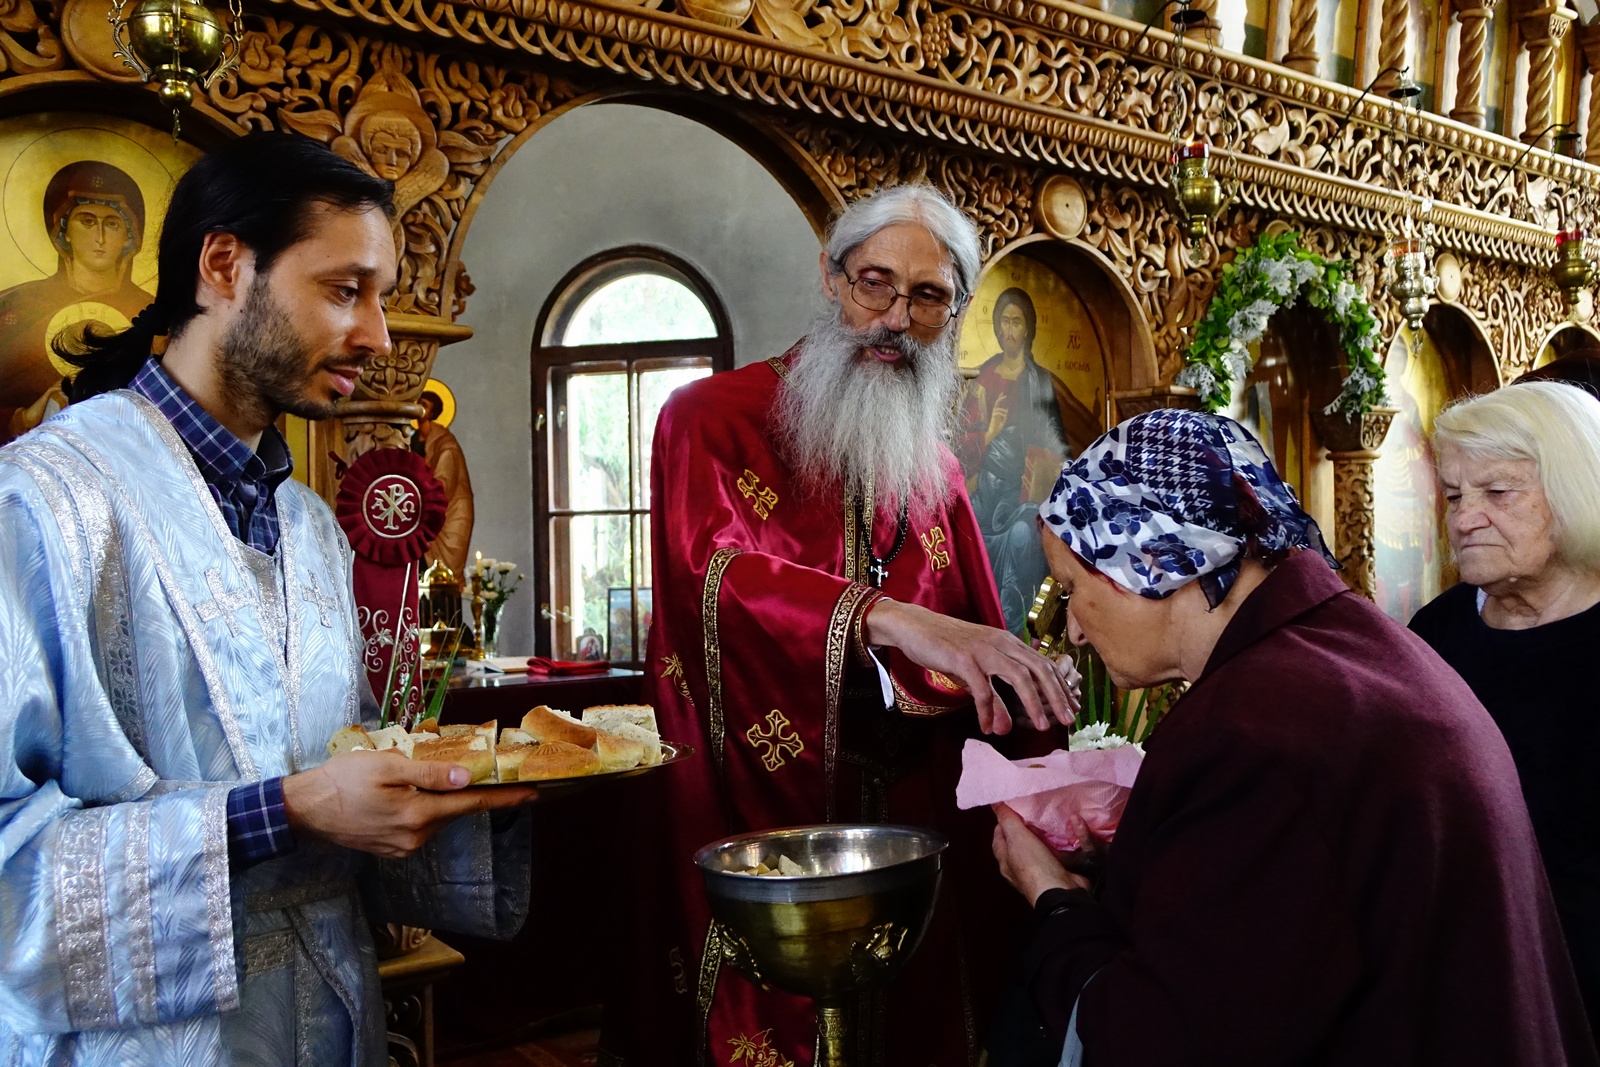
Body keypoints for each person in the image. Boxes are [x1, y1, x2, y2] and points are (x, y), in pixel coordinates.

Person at [0, 132, 537, 1065]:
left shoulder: (307, 524)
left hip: (332, 1011)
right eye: (345, 289)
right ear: (224, 266)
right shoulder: (44, 501)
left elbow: (347, 779)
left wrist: (482, 782)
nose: (376, 333)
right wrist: (280, 812)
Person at [608, 185, 1075, 1067]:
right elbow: (712, 578)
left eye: (928, 298)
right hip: (760, 813)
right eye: (875, 285)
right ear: (831, 280)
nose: (896, 318)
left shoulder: (932, 462)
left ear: (957, 312)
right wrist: (886, 620)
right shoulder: (709, 420)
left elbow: (973, 625)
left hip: (910, 817)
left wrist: (1029, 688)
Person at [989, 409, 1597, 1065]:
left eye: (1075, 588)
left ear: (1146, 559)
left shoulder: (1255, 727)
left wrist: (1053, 900)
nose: (1074, 628)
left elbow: (1158, 1040)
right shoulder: (1343, 649)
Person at [1409, 380, 1600, 1039]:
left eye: (1497, 492)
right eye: (1456, 495)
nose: (1463, 519)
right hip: (1465, 975)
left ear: (1575, 491)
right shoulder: (1437, 630)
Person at [957, 287, 1101, 631]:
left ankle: (1019, 629)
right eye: (1003, 322)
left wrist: (1054, 468)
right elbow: (959, 449)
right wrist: (989, 434)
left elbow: (1055, 438)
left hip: (1024, 492)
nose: (1009, 331)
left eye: (1016, 322)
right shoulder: (983, 379)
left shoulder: (1039, 381)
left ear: (1028, 329)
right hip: (983, 490)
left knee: (1026, 532)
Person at [0, 161, 154, 443]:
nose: (100, 237)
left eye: (112, 223)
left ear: (129, 236)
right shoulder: (15, 307)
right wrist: (21, 419)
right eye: (87, 221)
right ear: (63, 230)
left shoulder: (159, 319)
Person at [414, 385, 475, 577]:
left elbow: (443, 484)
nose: (419, 408)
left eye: (424, 405)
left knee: (445, 575)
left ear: (433, 412)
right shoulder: (412, 440)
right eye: (418, 403)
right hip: (421, 511)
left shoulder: (447, 446)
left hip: (450, 513)